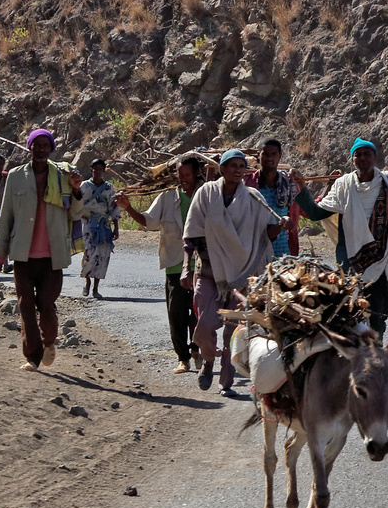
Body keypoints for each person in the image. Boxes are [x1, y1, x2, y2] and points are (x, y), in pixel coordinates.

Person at [292, 138, 388, 339]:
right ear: (352, 160)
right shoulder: (344, 185)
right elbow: (316, 213)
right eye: (357, 154)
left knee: (377, 312)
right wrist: (301, 185)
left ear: (375, 158)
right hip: (352, 259)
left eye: (366, 154)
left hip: (383, 259)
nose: (362, 158)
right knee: (348, 310)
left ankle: (376, 350)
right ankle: (351, 357)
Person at [182, 148, 284, 394]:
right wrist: (186, 267)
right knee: (204, 324)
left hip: (242, 275)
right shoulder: (206, 194)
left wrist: (281, 226)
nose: (239, 170)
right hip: (209, 272)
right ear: (223, 169)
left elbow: (265, 235)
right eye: (233, 166)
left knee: (233, 330)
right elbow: (191, 235)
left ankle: (224, 383)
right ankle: (207, 361)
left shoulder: (254, 197)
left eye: (242, 166)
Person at [0, 129, 87, 372]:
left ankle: (49, 341)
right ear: (30, 148)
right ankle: (32, 357)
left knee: (46, 303)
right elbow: (6, 217)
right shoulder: (15, 176)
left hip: (53, 255)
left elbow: (76, 213)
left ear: (51, 148)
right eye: (37, 145)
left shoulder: (63, 176)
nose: (42, 149)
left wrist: (76, 190)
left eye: (46, 145)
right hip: (22, 255)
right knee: (25, 306)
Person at [118, 157, 203, 374]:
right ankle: (182, 358)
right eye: (180, 175)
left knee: (199, 313)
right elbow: (149, 221)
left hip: (202, 266)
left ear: (197, 174)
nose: (183, 180)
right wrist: (128, 208)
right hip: (175, 265)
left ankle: (196, 349)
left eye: (187, 175)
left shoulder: (207, 195)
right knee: (176, 314)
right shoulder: (167, 198)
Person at [245, 138, 300, 258]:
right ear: (259, 156)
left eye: (273, 154)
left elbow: (308, 209)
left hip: (284, 252)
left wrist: (329, 186)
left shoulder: (289, 185)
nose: (269, 158)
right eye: (266, 154)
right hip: (255, 252)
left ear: (279, 156)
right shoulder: (248, 184)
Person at [76, 158, 119, 299]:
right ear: (91, 169)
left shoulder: (109, 188)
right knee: (89, 253)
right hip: (87, 224)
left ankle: (95, 288)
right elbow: (76, 203)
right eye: (95, 169)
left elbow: (113, 207)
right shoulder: (84, 186)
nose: (97, 171)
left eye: (100, 169)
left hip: (103, 225)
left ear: (103, 170)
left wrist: (116, 227)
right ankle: (87, 283)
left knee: (102, 254)